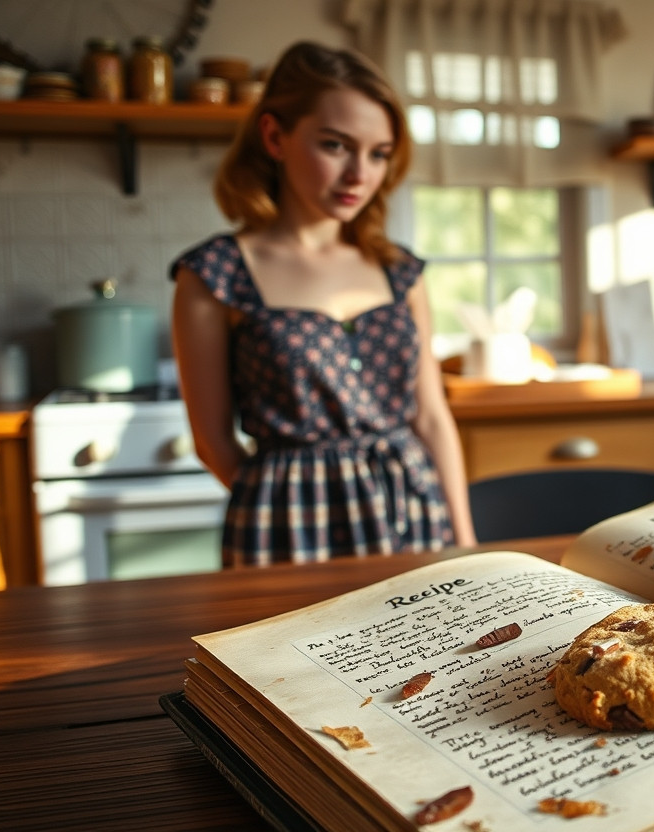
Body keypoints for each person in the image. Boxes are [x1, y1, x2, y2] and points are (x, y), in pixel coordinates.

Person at [170, 41, 476, 566]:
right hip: (289, 533)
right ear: (275, 136)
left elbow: (431, 418)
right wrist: (278, 499)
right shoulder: (214, 275)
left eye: (378, 154)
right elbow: (213, 442)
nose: (360, 174)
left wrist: (468, 544)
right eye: (336, 146)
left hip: (415, 516)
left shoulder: (399, 271)